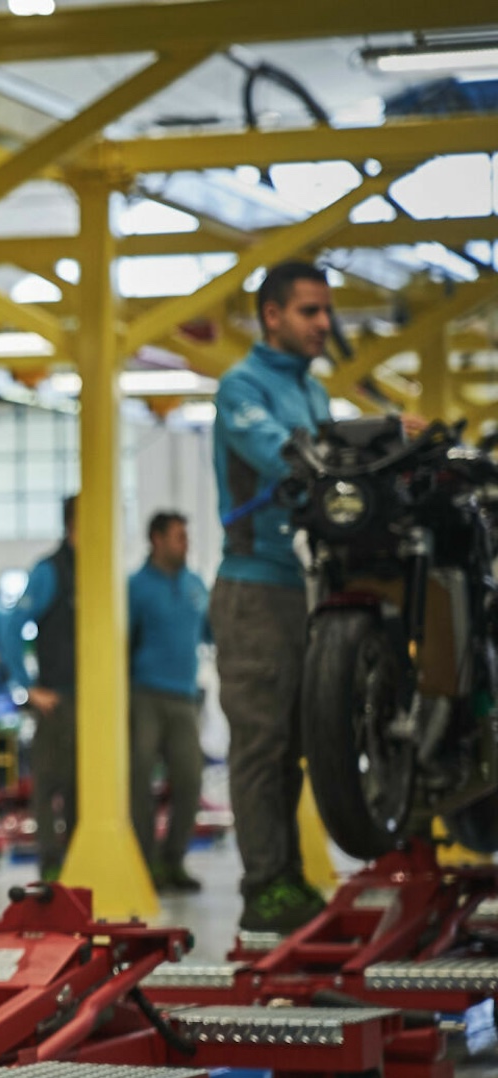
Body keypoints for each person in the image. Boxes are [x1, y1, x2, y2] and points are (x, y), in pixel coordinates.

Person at [209, 260, 423, 933]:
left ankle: (289, 878)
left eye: (326, 312)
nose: (323, 324)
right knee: (263, 744)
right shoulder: (241, 388)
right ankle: (264, 883)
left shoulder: (313, 393)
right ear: (272, 315)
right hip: (256, 589)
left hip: (309, 591)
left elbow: (331, 453)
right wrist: (378, 438)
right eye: (310, 311)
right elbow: (288, 456)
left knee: (306, 741)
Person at [127, 510, 209, 894]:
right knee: (140, 781)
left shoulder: (195, 585)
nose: (186, 543)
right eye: (179, 536)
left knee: (190, 780)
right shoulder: (136, 587)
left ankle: (174, 859)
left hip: (185, 697)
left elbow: (210, 630)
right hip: (144, 695)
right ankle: (146, 864)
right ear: (156, 539)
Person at [5, 496, 77, 880]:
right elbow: (11, 626)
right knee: (50, 783)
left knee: (86, 786)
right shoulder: (51, 572)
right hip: (57, 699)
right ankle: (51, 863)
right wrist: (27, 687)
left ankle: (81, 857)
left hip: (94, 701)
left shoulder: (99, 571)